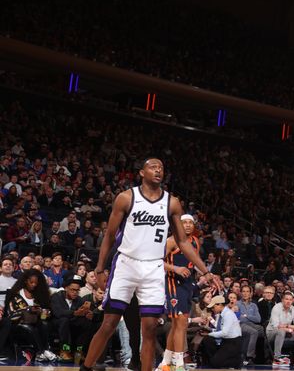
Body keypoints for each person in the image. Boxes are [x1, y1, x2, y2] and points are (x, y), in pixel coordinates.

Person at [79, 158, 222, 371]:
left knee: (150, 328)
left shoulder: (171, 203)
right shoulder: (126, 198)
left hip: (154, 267)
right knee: (109, 323)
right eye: (153, 167)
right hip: (126, 264)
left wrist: (205, 270)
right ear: (141, 173)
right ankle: (86, 367)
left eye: (161, 168)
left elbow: (182, 242)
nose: (158, 170)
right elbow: (109, 234)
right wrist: (100, 268)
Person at [161, 214, 203, 371]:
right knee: (179, 322)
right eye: (184, 222)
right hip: (172, 282)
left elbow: (195, 262)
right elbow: (157, 260)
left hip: (186, 284)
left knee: (180, 324)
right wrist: (176, 268)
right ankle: (178, 364)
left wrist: (206, 275)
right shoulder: (172, 240)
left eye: (190, 223)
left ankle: (166, 362)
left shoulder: (195, 241)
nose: (187, 225)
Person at [5, 269, 57, 363]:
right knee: (29, 328)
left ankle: (46, 350)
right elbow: (10, 314)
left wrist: (44, 311)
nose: (34, 284)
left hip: (36, 321)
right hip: (18, 323)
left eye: (36, 283)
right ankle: (40, 352)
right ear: (25, 280)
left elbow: (47, 309)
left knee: (45, 324)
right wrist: (27, 310)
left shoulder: (40, 294)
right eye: (31, 282)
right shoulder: (15, 293)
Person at [52, 275, 96, 362]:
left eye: (77, 290)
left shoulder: (79, 300)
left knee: (86, 322)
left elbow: (81, 314)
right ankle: (65, 350)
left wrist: (88, 314)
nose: (75, 292)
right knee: (64, 320)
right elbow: (58, 313)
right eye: (73, 290)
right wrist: (74, 313)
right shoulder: (57, 297)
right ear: (66, 288)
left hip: (71, 323)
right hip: (57, 322)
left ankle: (79, 351)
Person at [202, 294, 243, 368]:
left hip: (233, 342)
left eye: (213, 307)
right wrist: (208, 331)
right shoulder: (219, 315)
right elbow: (218, 329)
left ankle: (237, 361)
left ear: (219, 305)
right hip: (225, 341)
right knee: (207, 340)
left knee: (215, 363)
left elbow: (224, 333)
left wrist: (210, 334)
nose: (212, 309)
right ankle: (217, 359)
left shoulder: (228, 314)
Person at [267, 291, 294, 364]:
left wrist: (287, 326)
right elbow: (276, 326)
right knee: (281, 331)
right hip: (272, 334)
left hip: (287, 333)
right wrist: (290, 329)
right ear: (282, 300)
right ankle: (277, 358)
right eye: (286, 299)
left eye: (290, 300)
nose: (288, 301)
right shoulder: (276, 308)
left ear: (292, 301)